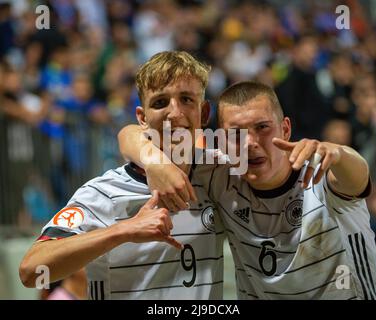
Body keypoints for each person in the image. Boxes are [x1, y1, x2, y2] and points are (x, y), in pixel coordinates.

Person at [118, 81, 376, 299]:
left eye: (262, 128)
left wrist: (338, 153)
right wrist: (153, 161)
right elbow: (129, 133)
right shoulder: (219, 176)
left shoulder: (320, 171)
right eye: (235, 134)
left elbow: (357, 178)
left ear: (286, 128)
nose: (250, 143)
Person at [19, 51, 225, 300]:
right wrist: (123, 230)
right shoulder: (102, 192)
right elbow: (32, 270)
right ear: (142, 118)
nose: (174, 112)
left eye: (186, 99)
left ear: (204, 114)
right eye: (160, 102)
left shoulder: (220, 174)